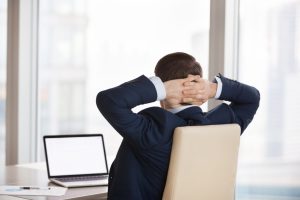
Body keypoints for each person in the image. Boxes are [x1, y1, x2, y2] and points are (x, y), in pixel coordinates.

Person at [96, 52, 260, 200]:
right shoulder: (221, 125)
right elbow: (252, 98)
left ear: (163, 87)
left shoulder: (154, 129)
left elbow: (109, 100)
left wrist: (163, 89)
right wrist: (213, 89)